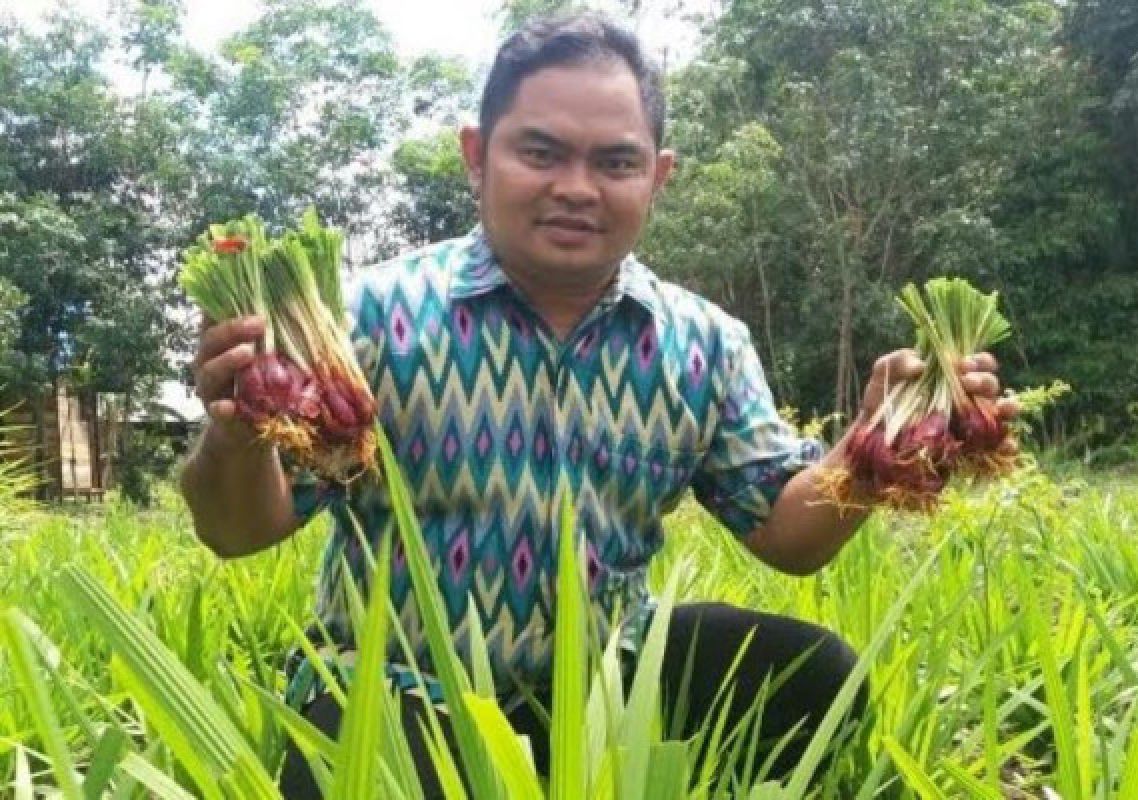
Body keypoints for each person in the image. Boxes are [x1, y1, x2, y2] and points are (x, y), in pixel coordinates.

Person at [181, 11, 1018, 797]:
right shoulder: (368, 318)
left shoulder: (703, 343)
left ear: (658, 175)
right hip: (401, 688)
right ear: (477, 156)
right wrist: (235, 434)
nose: (576, 188)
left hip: (606, 683)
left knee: (812, 675)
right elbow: (238, 531)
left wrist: (879, 442)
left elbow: (787, 535)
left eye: (615, 162)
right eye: (540, 152)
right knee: (372, 766)